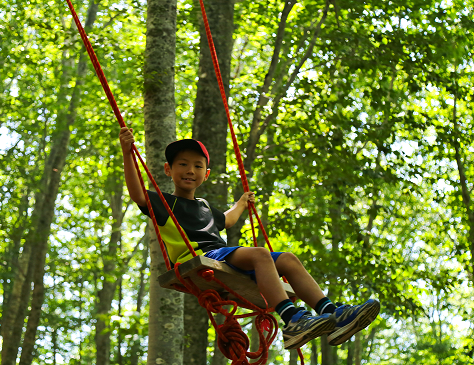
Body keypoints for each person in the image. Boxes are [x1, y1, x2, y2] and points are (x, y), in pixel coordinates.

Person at [119, 127, 380, 350]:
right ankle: (292, 321)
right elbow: (137, 193)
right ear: (168, 169)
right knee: (260, 254)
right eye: (182, 164)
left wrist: (242, 203)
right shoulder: (164, 203)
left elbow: (228, 219)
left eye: (197, 166)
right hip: (200, 258)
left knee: (288, 259)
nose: (190, 170)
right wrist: (127, 152)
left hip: (222, 255)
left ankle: (333, 313)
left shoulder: (205, 206)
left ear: (206, 174)